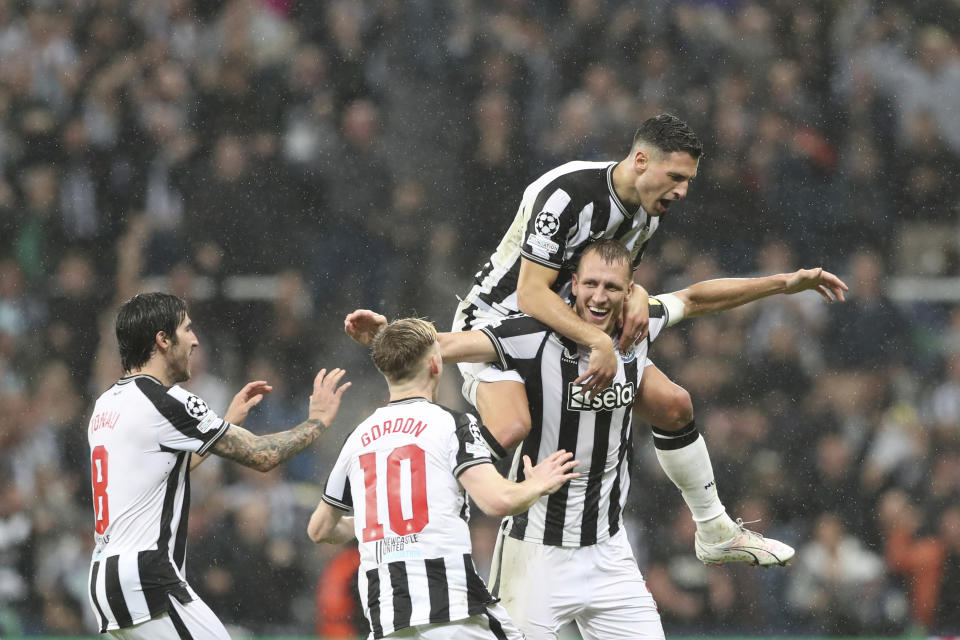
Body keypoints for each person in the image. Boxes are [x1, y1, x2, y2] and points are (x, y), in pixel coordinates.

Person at [347, 240, 848, 639]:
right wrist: (388, 334)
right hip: (534, 553)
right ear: (571, 284)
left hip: (608, 552)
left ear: (628, 288)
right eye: (589, 283)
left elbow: (697, 297)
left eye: (612, 285)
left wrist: (785, 283)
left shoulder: (638, 326)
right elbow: (447, 345)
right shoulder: (528, 334)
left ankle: (713, 528)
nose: (599, 295)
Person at [451, 113, 733, 551]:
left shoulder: (648, 216)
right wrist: (599, 341)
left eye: (689, 180)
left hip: (567, 331)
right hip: (497, 323)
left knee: (674, 404)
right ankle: (426, 488)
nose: (682, 191)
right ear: (641, 160)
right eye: (676, 176)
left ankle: (716, 531)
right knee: (511, 427)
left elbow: (612, 279)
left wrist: (636, 295)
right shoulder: (567, 193)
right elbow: (530, 295)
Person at [87, 292, 350, 639]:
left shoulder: (106, 404)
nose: (195, 341)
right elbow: (262, 455)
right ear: (162, 340)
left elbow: (160, 475)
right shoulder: (166, 400)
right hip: (147, 579)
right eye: (187, 330)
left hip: (105, 578)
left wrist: (223, 424)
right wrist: (316, 422)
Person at [307, 317, 579, 639]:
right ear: (436, 364)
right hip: (453, 615)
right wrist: (536, 483)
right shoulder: (451, 424)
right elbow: (497, 501)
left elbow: (319, 529)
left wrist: (379, 518)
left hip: (388, 619)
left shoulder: (358, 437)